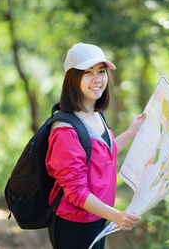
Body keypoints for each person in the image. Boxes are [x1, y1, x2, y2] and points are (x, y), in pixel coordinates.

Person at [45, 42, 146, 249]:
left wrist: (130, 132)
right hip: (75, 225)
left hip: (98, 218)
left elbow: (100, 156)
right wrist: (116, 215)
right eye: (88, 72)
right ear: (73, 78)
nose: (97, 79)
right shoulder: (65, 130)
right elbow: (76, 192)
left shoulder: (96, 116)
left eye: (101, 71)